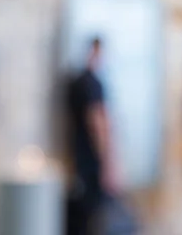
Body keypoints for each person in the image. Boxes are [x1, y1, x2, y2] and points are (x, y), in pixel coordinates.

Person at [66, 37, 118, 234]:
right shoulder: (91, 83)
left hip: (79, 159)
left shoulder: (78, 82)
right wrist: (107, 163)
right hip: (91, 162)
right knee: (90, 217)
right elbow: (97, 122)